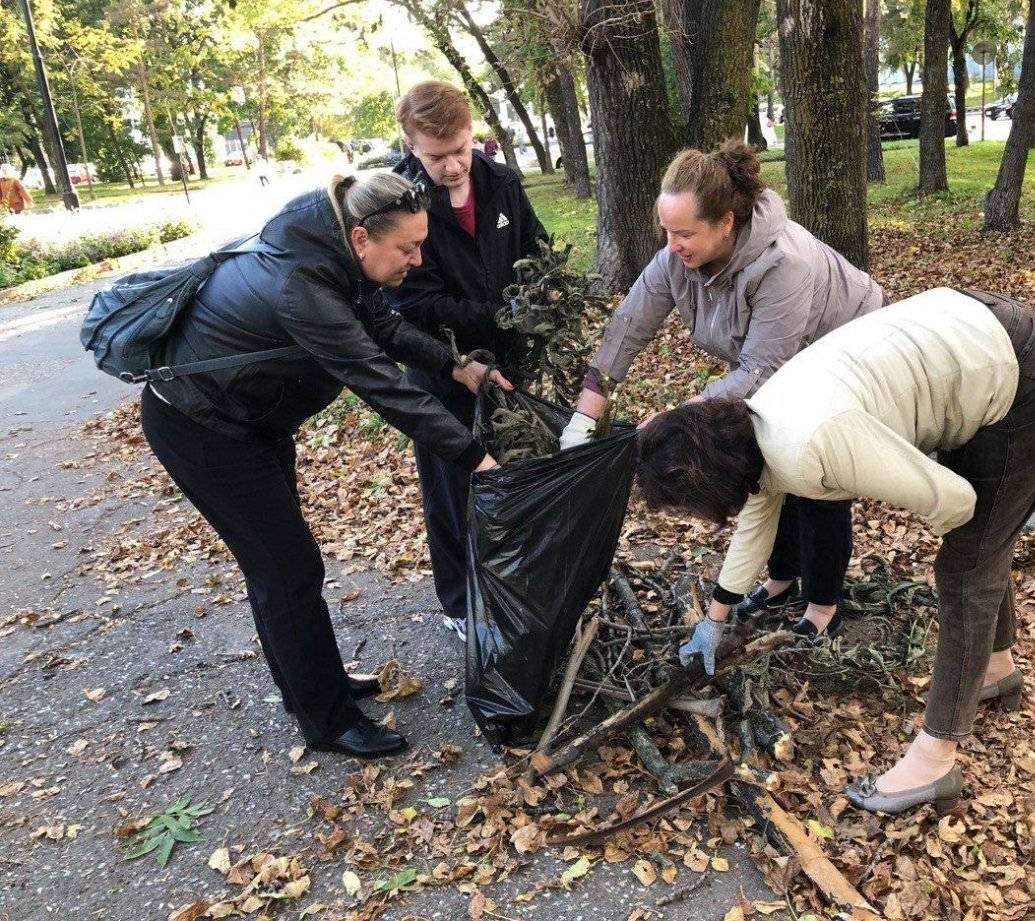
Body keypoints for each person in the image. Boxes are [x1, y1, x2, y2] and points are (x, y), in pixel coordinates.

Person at [636, 287, 1035, 814]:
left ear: (703, 484)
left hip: (1024, 376)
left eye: (687, 507)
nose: (693, 517)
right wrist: (714, 617)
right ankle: (996, 666)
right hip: (972, 340)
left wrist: (965, 537)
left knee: (966, 565)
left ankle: (935, 758)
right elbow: (757, 519)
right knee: (982, 547)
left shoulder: (806, 447)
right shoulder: (752, 429)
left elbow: (956, 501)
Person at [140, 170, 510, 759]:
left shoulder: (333, 248)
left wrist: (454, 365)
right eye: (408, 248)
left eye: (420, 245)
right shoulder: (302, 287)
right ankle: (326, 719)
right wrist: (477, 459)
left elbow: (384, 326)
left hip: (254, 423)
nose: (417, 259)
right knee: (284, 569)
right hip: (202, 430)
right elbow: (382, 385)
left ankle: (315, 685)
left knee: (285, 567)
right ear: (362, 238)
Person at [562, 140, 886, 636]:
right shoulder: (679, 256)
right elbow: (630, 323)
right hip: (778, 365)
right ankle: (781, 577)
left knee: (818, 475)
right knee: (767, 462)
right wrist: (589, 405)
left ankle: (822, 606)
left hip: (849, 356)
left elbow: (760, 372)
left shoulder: (785, 264)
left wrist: (677, 417)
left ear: (726, 223)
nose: (672, 244)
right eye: (667, 231)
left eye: (685, 233)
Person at [386, 80, 548, 642]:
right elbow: (412, 301)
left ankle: (511, 578)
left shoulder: (500, 181)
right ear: (411, 146)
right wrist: (497, 317)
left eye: (461, 148)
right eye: (437, 156)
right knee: (450, 485)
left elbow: (537, 248)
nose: (454, 165)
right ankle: (459, 598)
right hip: (438, 366)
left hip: (509, 363)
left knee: (512, 469)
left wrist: (539, 302)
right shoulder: (398, 202)